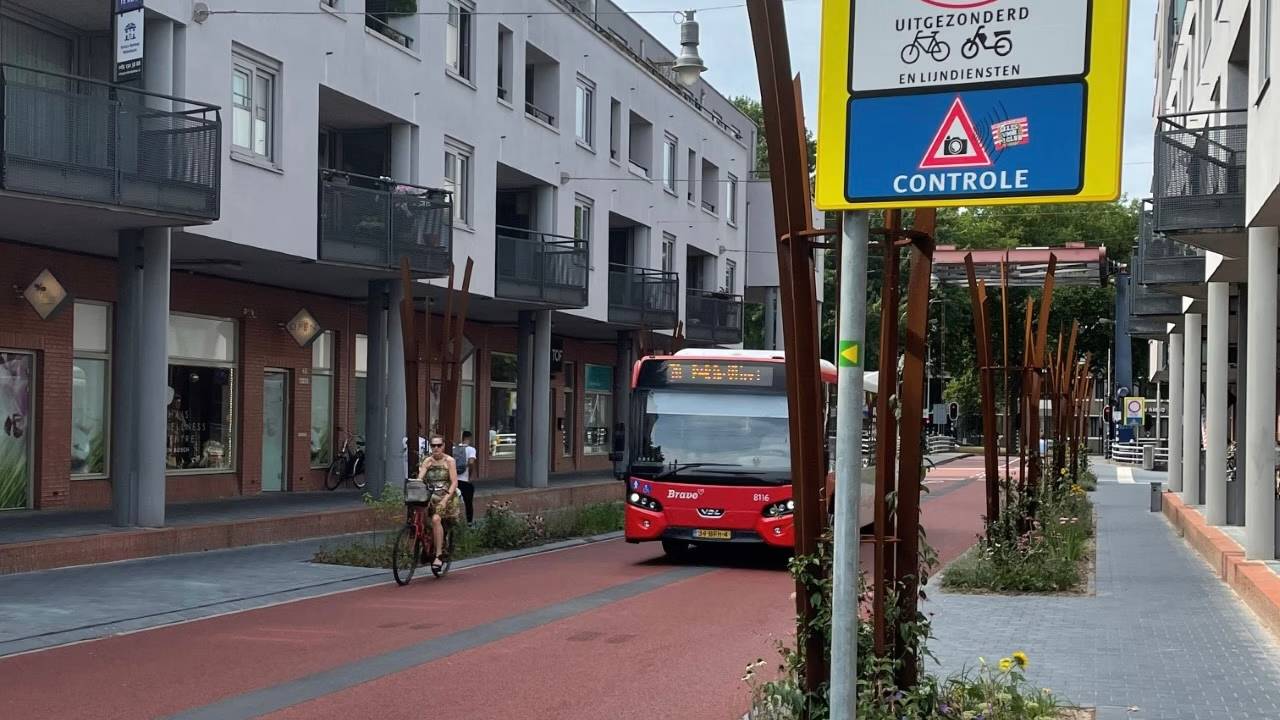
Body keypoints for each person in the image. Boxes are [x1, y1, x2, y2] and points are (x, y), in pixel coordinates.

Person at [416, 435, 460, 572]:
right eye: (433, 445)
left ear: (443, 446)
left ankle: (438, 555)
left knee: (436, 519)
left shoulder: (449, 461)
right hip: (430, 497)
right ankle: (426, 546)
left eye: (439, 445)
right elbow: (419, 479)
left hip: (446, 497)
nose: (436, 448)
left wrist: (445, 500)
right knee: (420, 520)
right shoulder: (427, 461)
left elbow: (454, 482)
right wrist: (417, 480)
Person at [451, 431, 478, 524]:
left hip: (454, 480)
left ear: (462, 437)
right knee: (468, 502)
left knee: (453, 502)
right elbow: (471, 463)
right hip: (465, 480)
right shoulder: (471, 449)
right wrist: (470, 475)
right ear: (469, 438)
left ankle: (454, 521)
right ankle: (469, 523)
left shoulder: (454, 448)